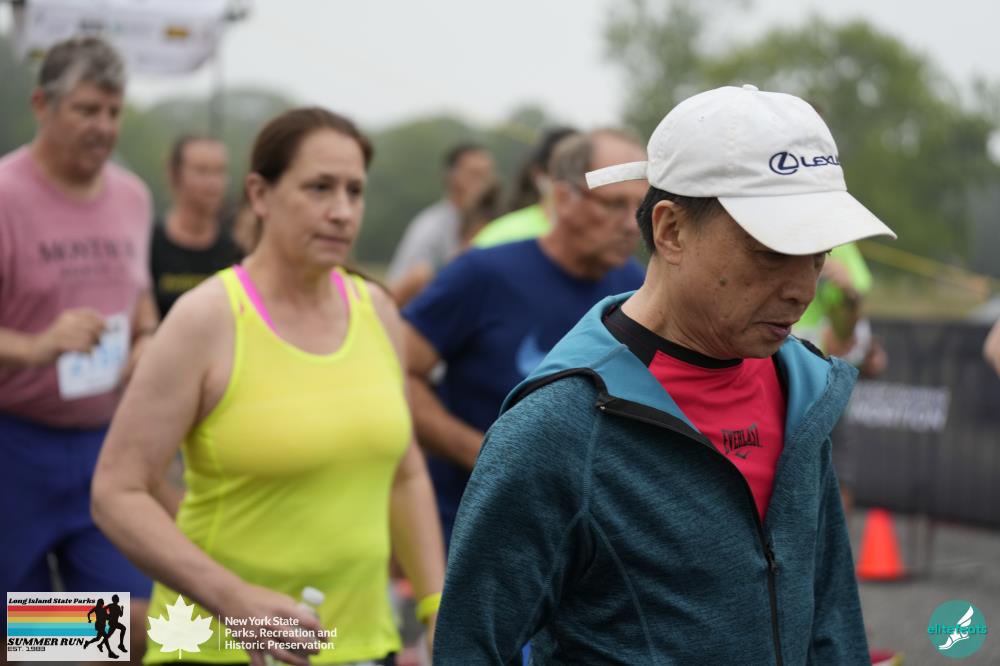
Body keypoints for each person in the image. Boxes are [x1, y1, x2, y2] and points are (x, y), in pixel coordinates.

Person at [434, 85, 898, 664]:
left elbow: (831, 622)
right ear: (671, 230)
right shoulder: (558, 427)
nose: (804, 288)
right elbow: (469, 648)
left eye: (819, 251)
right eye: (772, 250)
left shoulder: (804, 393)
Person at [91, 107, 445, 666]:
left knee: (71, 628)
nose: (342, 211)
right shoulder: (204, 318)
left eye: (355, 191)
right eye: (319, 188)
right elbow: (116, 491)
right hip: (216, 647)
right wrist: (232, 599)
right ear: (260, 194)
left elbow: (406, 473)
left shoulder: (377, 310)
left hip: (360, 643)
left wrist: (435, 605)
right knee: (27, 631)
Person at [404, 129, 647, 544]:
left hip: (585, 544)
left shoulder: (638, 292)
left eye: (639, 208)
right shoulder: (483, 274)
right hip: (472, 533)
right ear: (563, 197)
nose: (630, 225)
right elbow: (398, 372)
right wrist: (488, 454)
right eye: (613, 205)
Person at [0, 36, 156, 657]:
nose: (104, 127)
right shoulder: (5, 193)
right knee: (18, 632)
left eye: (114, 112)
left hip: (104, 446)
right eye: (87, 110)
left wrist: (146, 340)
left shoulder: (133, 195)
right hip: (14, 445)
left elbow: (140, 298)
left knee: (135, 625)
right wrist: (36, 346)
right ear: (42, 105)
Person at [151, 134, 241, 317]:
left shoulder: (234, 252)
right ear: (174, 175)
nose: (214, 183)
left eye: (220, 171)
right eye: (202, 171)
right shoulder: (149, 245)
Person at [387, 143, 494, 289]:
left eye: (487, 174)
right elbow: (401, 286)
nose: (483, 183)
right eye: (474, 174)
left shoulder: (498, 224)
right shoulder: (430, 226)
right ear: (450, 175)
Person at [471, 127, 578, 248]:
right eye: (563, 174)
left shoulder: (594, 238)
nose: (574, 185)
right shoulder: (502, 236)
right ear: (539, 174)